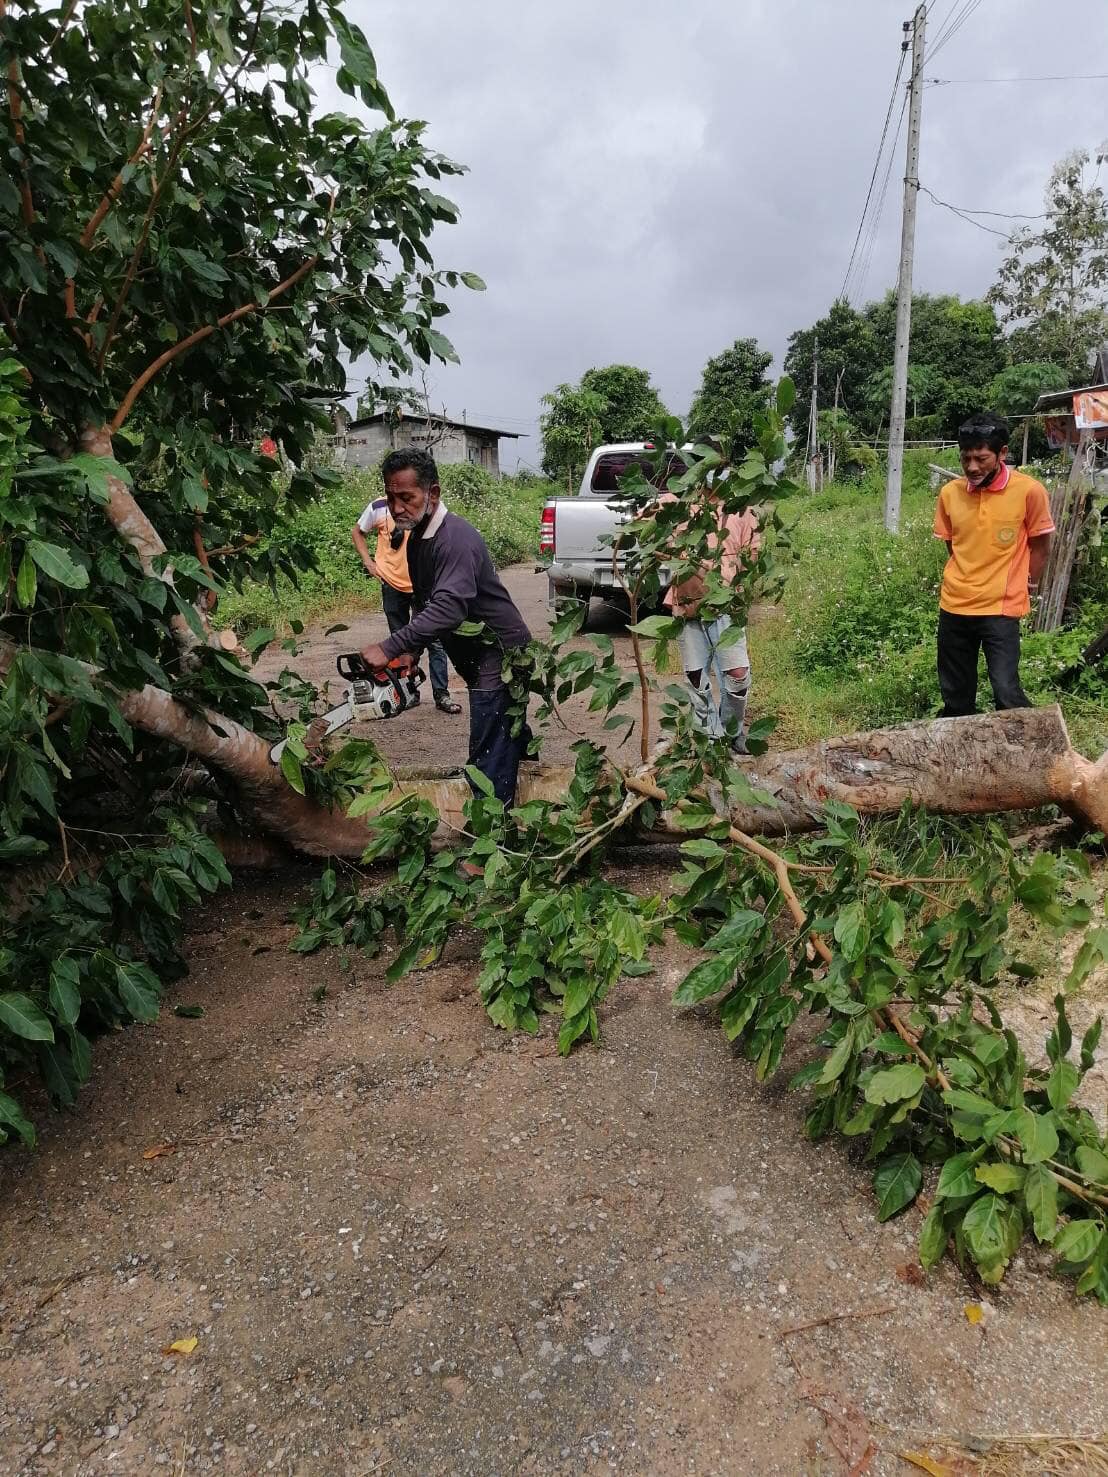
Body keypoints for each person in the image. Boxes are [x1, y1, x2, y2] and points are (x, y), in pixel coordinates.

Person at [359, 449, 533, 804]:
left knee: (488, 751)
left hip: (499, 653)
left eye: (407, 498)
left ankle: (490, 844)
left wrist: (390, 646)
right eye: (391, 498)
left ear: (432, 493)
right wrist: (411, 652)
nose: (397, 508)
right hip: (476, 655)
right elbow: (426, 601)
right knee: (507, 737)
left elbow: (448, 608)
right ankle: (538, 809)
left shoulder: (454, 539)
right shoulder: (416, 538)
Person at [933, 412, 1054, 718]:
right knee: (956, 696)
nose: (972, 467)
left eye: (981, 458)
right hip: (955, 605)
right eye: (966, 458)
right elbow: (954, 545)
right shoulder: (950, 494)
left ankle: (1030, 754)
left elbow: (1040, 544)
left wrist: (1028, 581)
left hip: (1000, 608)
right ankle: (961, 758)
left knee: (1006, 691)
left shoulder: (1029, 491)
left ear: (1002, 453)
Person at [661, 476, 760, 752]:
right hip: (689, 603)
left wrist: (734, 580)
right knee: (695, 676)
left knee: (738, 675)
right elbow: (647, 524)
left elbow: (753, 552)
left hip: (727, 605)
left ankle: (732, 731)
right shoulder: (678, 504)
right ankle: (710, 738)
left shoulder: (741, 509)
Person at [351, 492, 461, 715]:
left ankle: (442, 694)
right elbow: (357, 532)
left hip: (423, 584)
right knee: (400, 641)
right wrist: (368, 562)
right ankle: (409, 693)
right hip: (392, 584)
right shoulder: (378, 507)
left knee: (435, 641)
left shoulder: (426, 505)